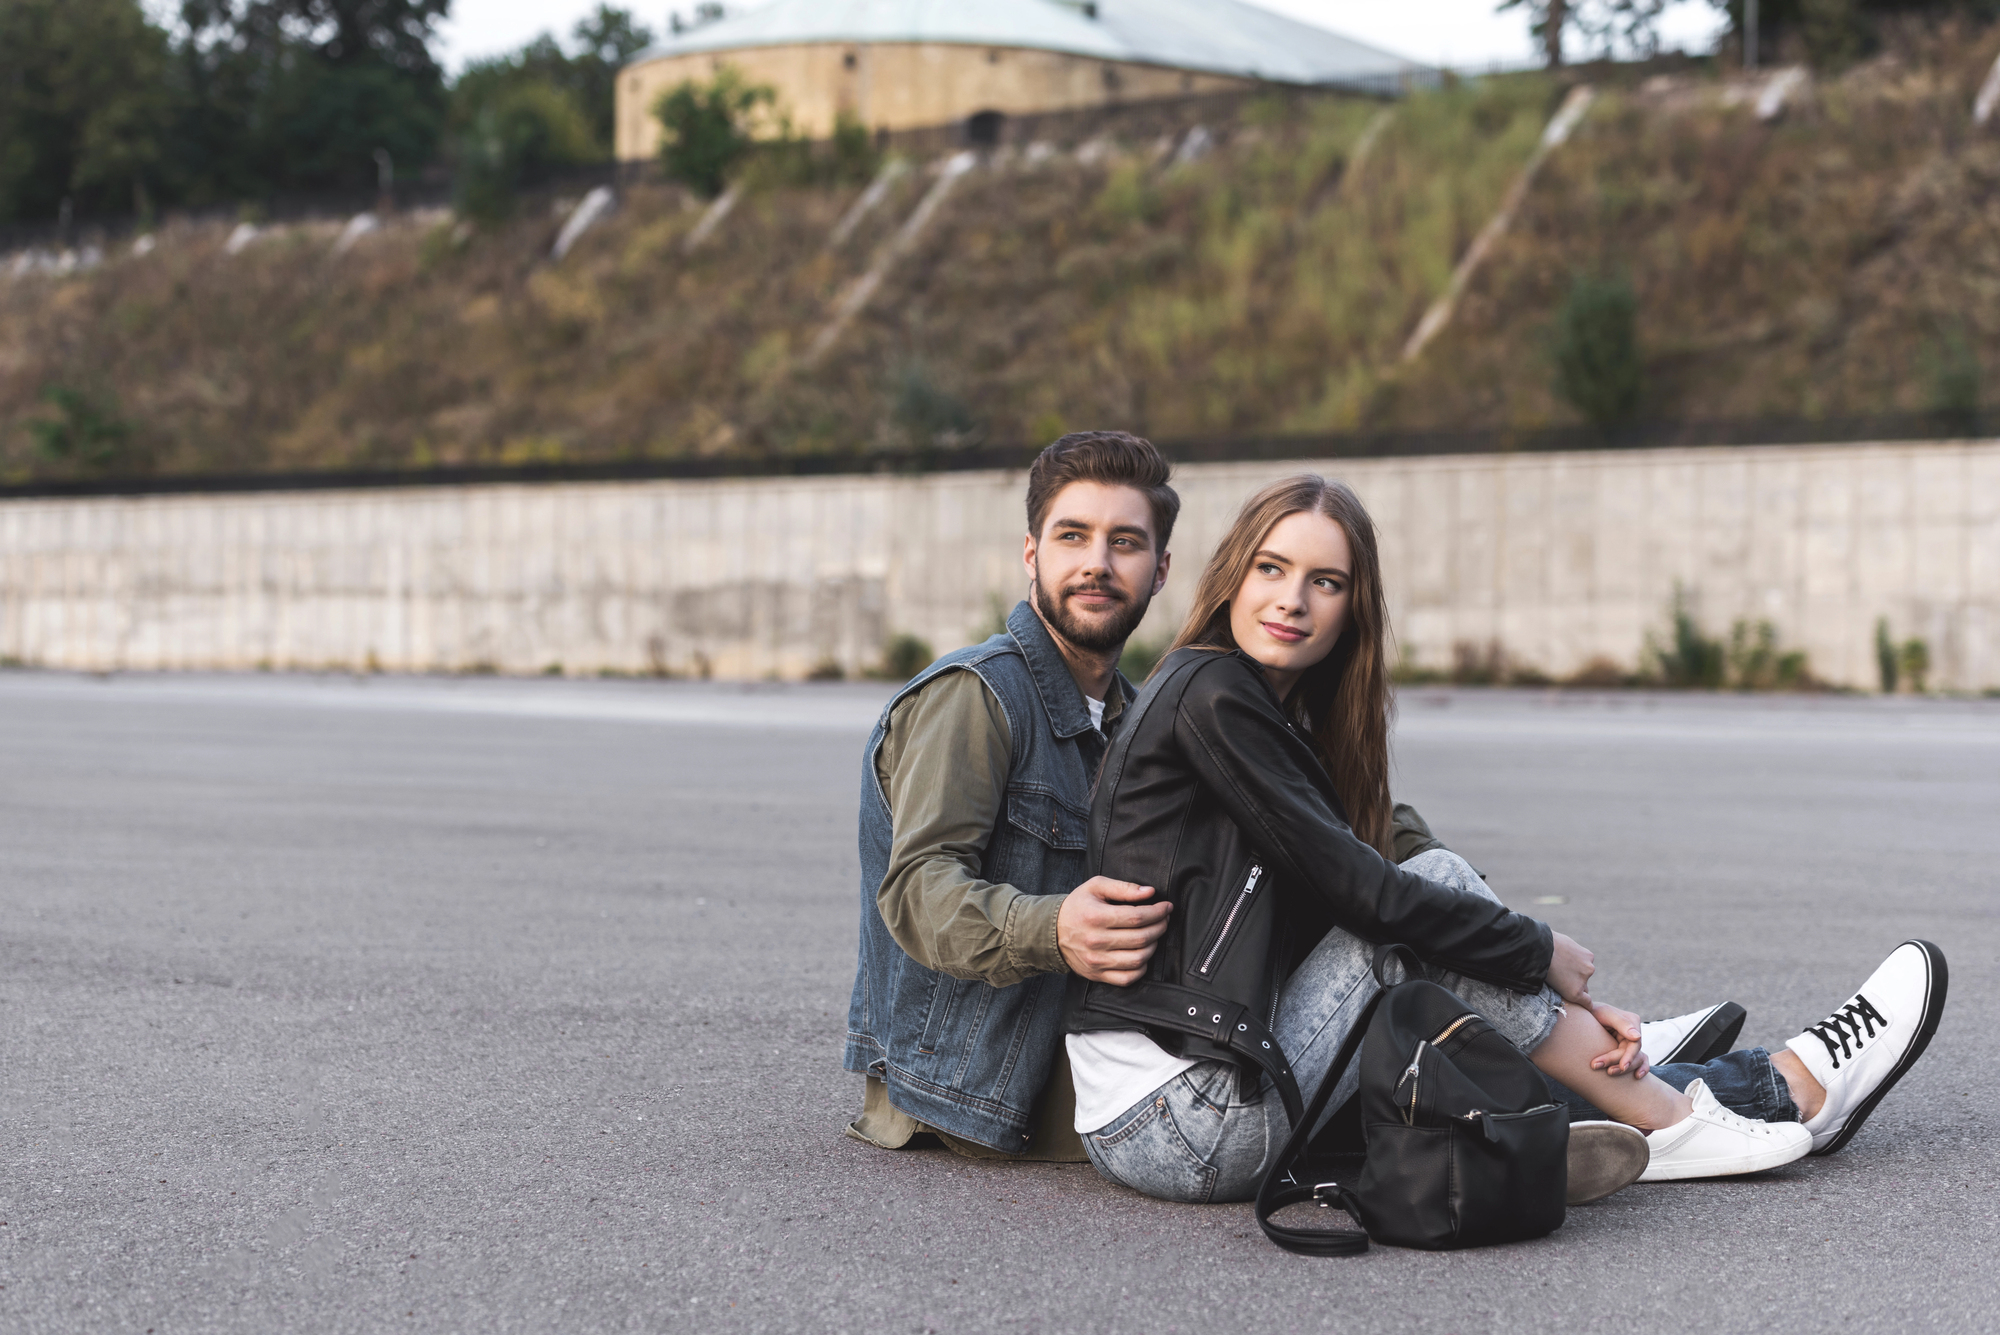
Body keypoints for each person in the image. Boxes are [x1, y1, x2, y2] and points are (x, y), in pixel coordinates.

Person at [1065, 474, 1949, 1203]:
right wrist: (1540, 951)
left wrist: (1529, 971)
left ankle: (1639, 1084)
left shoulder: (1258, 712)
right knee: (1421, 902)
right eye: (1270, 568)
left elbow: (1356, 880)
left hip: (1186, 1095)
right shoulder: (1211, 693)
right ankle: (1680, 1114)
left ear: (1351, 608)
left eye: (1324, 582)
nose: (1291, 600)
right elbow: (1367, 896)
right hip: (1181, 1119)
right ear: (1231, 576)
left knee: (1437, 907)